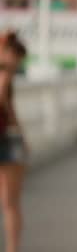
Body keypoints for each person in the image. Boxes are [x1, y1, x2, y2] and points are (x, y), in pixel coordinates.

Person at [0, 31, 27, 252]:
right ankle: (12, 248)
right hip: (7, 138)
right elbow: (4, 101)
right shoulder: (5, 73)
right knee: (11, 203)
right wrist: (20, 132)